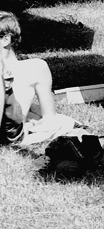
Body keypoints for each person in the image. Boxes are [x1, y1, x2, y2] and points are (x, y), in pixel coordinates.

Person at [0, 11, 69, 144]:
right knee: (61, 121)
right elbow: (49, 116)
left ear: (6, 39)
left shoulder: (32, 68)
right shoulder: (35, 67)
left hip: (9, 131)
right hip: (11, 133)